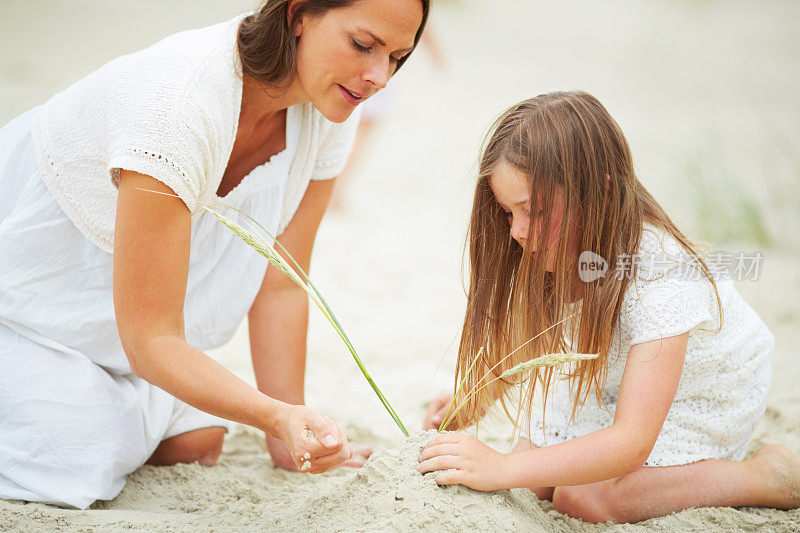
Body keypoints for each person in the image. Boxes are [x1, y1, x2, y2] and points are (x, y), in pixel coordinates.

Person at [0, 0, 428, 509]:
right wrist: (273, 415)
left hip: (108, 328)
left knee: (198, 442)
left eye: (398, 57)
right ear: (297, 15)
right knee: (76, 451)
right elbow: (152, 338)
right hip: (24, 304)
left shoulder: (332, 104)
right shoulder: (178, 107)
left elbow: (282, 282)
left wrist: (287, 438)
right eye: (363, 45)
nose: (379, 77)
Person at [419, 91, 800, 523]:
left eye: (533, 211)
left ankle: (766, 476)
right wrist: (478, 395)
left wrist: (500, 466)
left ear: (597, 192)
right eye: (509, 213)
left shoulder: (662, 276)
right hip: (617, 381)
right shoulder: (556, 247)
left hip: (696, 392)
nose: (518, 231)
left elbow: (632, 440)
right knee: (533, 482)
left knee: (585, 500)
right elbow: (535, 344)